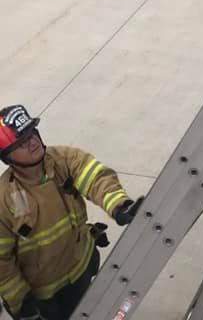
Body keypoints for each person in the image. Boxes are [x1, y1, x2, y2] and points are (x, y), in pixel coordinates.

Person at [0, 105, 142, 320]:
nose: (32, 141)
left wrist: (119, 204)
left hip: (80, 268)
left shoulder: (63, 159)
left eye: (32, 132)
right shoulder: (4, 199)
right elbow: (2, 262)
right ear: (7, 157)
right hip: (43, 294)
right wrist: (23, 303)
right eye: (22, 141)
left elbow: (96, 178)